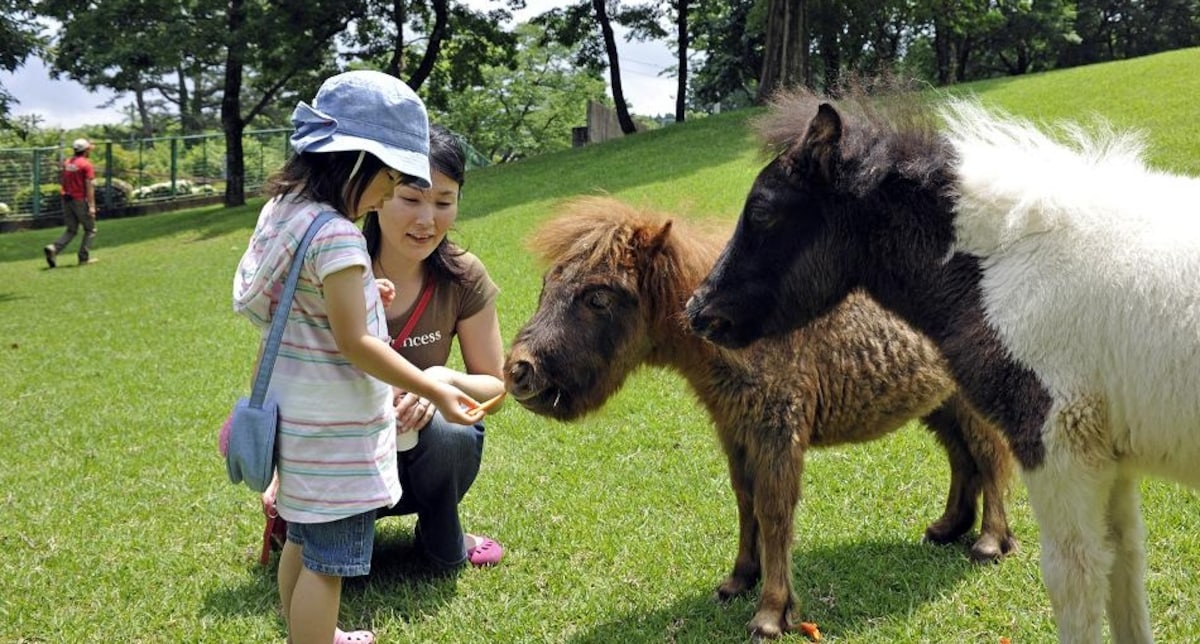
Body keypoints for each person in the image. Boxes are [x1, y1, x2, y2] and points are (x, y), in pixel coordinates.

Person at [233, 70, 485, 644]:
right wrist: (434, 387)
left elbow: (303, 297)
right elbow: (357, 343)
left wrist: (365, 290)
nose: (384, 194)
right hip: (337, 430)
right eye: (390, 177)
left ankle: (310, 635)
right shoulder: (340, 237)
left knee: (302, 539)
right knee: (328, 564)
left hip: (296, 419)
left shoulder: (285, 212)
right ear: (359, 162)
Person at [260, 125, 507, 570]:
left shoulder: (464, 276)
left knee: (454, 433)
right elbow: (286, 369)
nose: (427, 220)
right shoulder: (334, 259)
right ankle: (306, 524)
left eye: (444, 202)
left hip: (415, 457)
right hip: (335, 456)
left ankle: (440, 532)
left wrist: (438, 380)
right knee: (333, 576)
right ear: (380, 191)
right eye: (411, 199)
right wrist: (286, 468)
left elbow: (495, 388)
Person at [44, 138, 98, 267]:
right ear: (86, 151)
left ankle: (54, 248)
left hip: (66, 199)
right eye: (89, 149)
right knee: (91, 229)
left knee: (71, 229)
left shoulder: (67, 163)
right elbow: (89, 186)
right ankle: (83, 258)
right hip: (79, 200)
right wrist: (91, 206)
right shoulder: (86, 165)